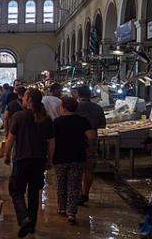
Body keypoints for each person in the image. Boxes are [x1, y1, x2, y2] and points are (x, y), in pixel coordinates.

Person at [4, 88, 55, 237]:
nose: (23, 99)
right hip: (39, 161)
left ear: (30, 100)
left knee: (15, 191)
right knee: (34, 193)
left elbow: (11, 139)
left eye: (25, 97)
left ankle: (24, 218)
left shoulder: (19, 116)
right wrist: (50, 159)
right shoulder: (46, 119)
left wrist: (7, 154)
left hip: (22, 160)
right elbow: (51, 142)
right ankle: (31, 225)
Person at [53, 96, 96, 224]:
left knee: (61, 184)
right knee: (74, 185)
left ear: (63, 107)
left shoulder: (57, 122)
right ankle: (71, 212)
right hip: (77, 156)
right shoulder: (82, 121)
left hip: (60, 157)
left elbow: (52, 141)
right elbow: (91, 136)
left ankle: (61, 208)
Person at [75, 85, 106, 204]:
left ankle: (76, 193)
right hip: (91, 141)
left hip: (76, 140)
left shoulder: (75, 107)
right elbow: (102, 125)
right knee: (89, 169)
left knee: (76, 168)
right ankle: (85, 193)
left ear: (78, 94)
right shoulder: (97, 108)